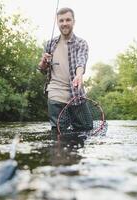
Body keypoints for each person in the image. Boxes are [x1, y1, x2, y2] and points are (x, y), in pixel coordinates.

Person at [38, 7, 92, 136]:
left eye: (68, 20)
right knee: (58, 133)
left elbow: (81, 61)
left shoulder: (81, 43)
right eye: (61, 20)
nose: (64, 23)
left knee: (86, 130)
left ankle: (74, 156)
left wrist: (79, 75)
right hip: (55, 94)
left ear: (73, 21)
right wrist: (43, 63)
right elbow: (42, 70)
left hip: (76, 94)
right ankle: (58, 156)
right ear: (57, 22)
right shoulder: (50, 44)